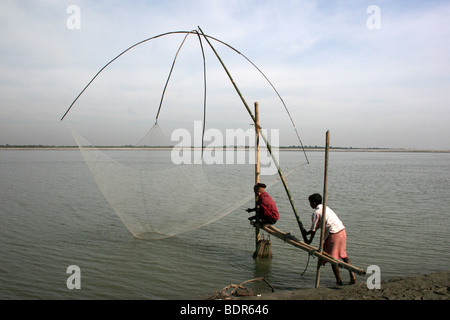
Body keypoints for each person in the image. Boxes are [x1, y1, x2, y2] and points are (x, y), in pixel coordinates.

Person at [304, 193, 356, 285]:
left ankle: (339, 281)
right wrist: (307, 232)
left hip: (334, 234)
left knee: (333, 258)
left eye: (310, 203)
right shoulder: (325, 208)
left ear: (314, 203)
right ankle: (352, 276)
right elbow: (318, 226)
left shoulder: (316, 212)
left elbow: (314, 229)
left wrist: (309, 241)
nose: (310, 205)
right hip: (342, 231)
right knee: (343, 255)